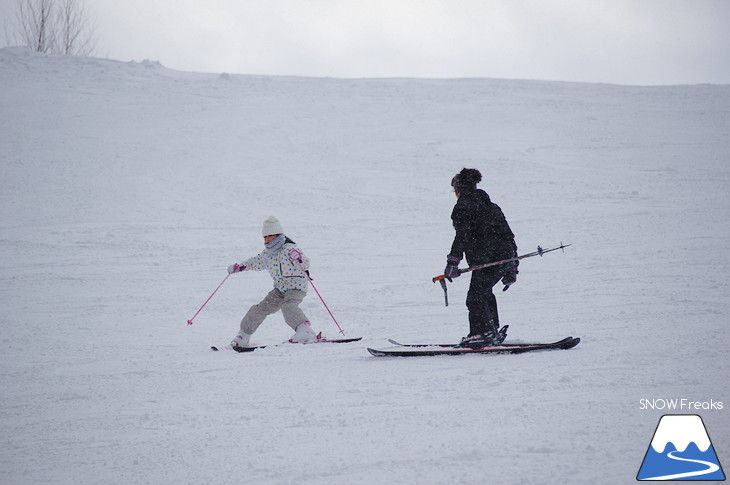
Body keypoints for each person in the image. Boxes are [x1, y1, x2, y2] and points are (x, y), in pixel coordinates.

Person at [444, 168, 519, 347]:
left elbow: (462, 236)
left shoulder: (463, 206)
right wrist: (512, 266)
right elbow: (508, 235)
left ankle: (481, 334)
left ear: (459, 189)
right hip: (503, 257)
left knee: (475, 296)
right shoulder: (492, 206)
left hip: (485, 259)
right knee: (483, 292)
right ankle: (491, 331)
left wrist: (452, 263)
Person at [226, 216, 319, 348]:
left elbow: (305, 263)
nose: (267, 239)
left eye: (270, 236)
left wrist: (298, 258)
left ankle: (305, 331)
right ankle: (243, 336)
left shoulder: (289, 248)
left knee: (288, 306)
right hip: (279, 289)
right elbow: (254, 262)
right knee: (259, 309)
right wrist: (240, 267)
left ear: (278, 235)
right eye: (265, 237)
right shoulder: (267, 254)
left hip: (296, 286)